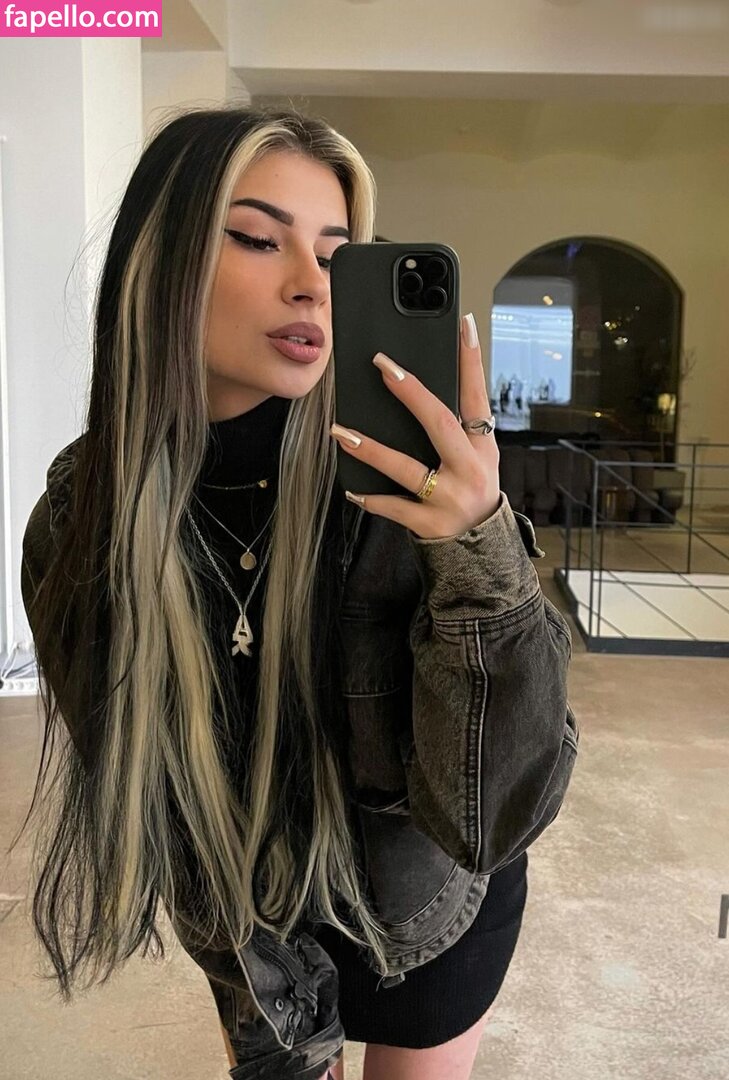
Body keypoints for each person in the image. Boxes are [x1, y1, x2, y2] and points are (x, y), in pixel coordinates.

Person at [18, 105, 579, 1080]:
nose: (310, 285)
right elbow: (150, 796)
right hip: (247, 933)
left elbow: (496, 817)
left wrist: (478, 547)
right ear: (162, 261)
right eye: (255, 237)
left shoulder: (402, 489)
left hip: (426, 921)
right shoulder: (84, 519)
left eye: (335, 254)